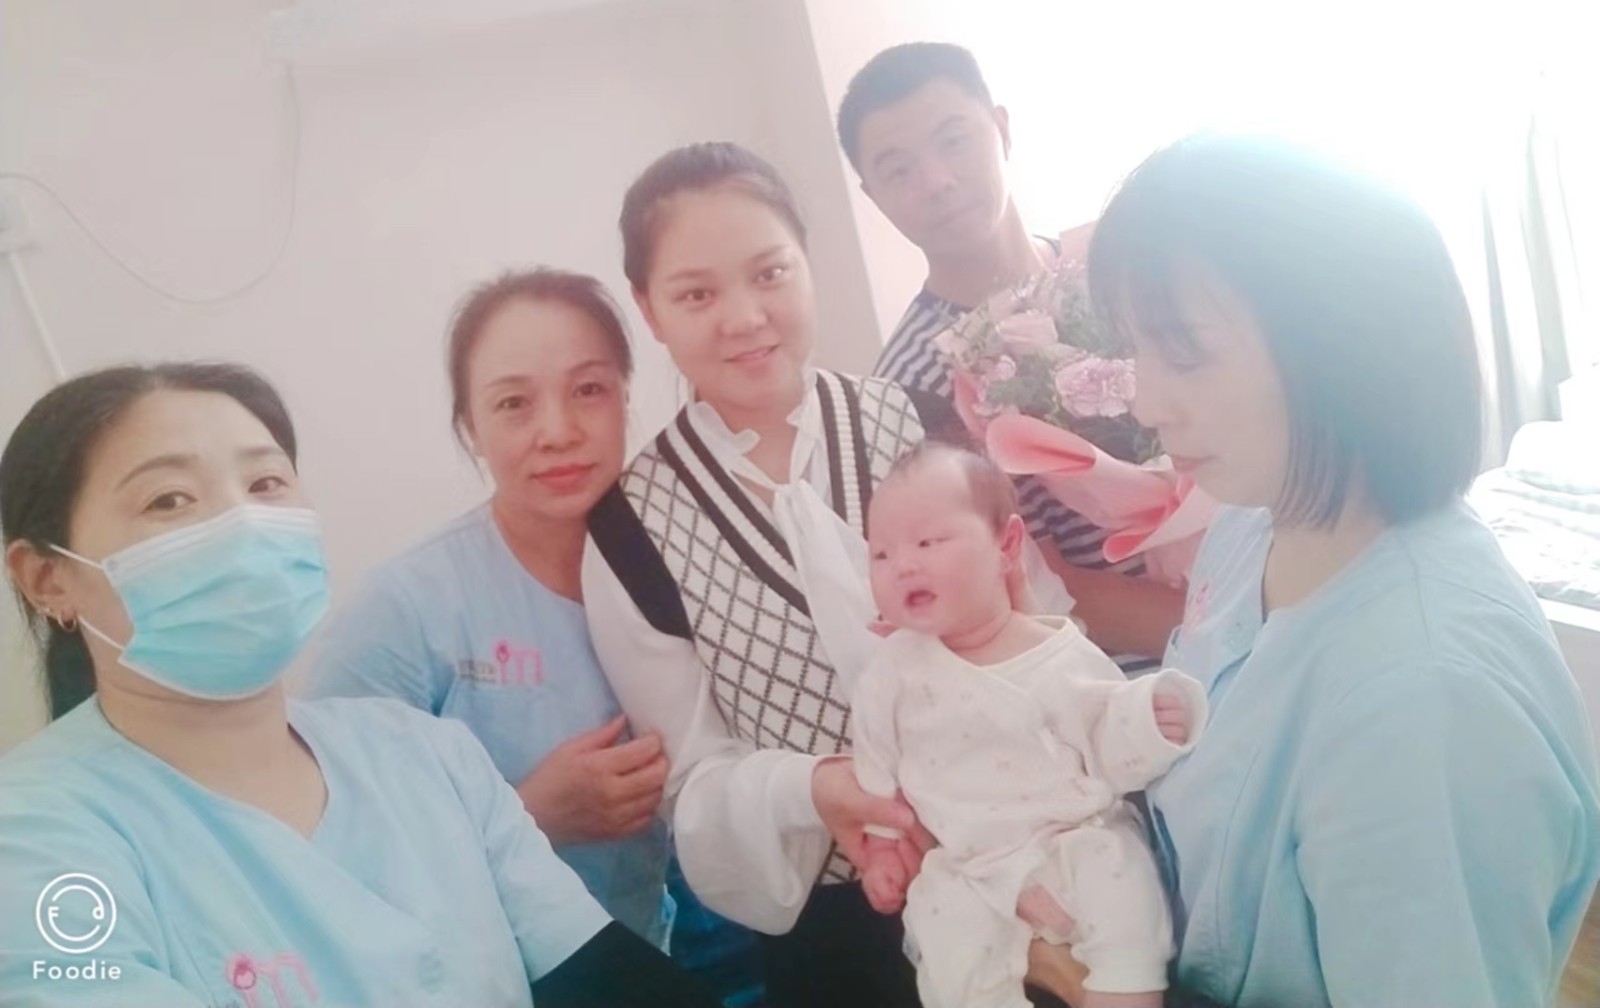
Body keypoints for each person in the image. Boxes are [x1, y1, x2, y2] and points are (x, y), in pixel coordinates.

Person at [1025, 135, 1600, 1007]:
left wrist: (1080, 985)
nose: (1145, 402)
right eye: (1138, 351)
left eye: (1186, 353)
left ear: (1340, 346)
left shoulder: (1421, 711)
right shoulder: (1254, 522)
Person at [0, 363, 720, 1008]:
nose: (243, 526)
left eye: (266, 484)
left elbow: (598, 971)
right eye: (169, 500)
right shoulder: (36, 835)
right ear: (46, 578)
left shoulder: (426, 754)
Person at [582, 142, 1075, 1008]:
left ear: (807, 265)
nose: (744, 317)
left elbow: (1042, 621)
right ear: (649, 309)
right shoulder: (631, 528)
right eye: (697, 294)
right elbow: (694, 782)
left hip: (1032, 862)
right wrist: (816, 789)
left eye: (769, 273)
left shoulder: (920, 425)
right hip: (845, 936)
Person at [302, 268, 762, 1000]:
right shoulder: (406, 608)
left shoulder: (681, 560)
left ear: (624, 398)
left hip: (659, 938)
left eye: (589, 389)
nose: (558, 432)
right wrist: (530, 814)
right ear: (470, 426)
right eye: (514, 403)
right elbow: (320, 853)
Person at [838, 42, 1183, 661]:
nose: (937, 182)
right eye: (898, 170)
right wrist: (1231, 630)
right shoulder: (911, 385)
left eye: (954, 140)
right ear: (873, 196)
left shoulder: (1113, 265)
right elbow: (1041, 581)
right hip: (1136, 679)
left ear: (1001, 128)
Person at [853, 443, 1205, 1008]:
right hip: (969, 864)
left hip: (1072, 839)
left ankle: (1125, 992)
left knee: (1122, 883)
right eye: (881, 554)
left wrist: (1146, 721)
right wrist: (884, 848)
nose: (904, 565)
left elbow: (1107, 738)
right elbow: (876, 763)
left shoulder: (1056, 653)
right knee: (945, 930)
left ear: (1007, 545)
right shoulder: (894, 671)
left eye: (928, 542)